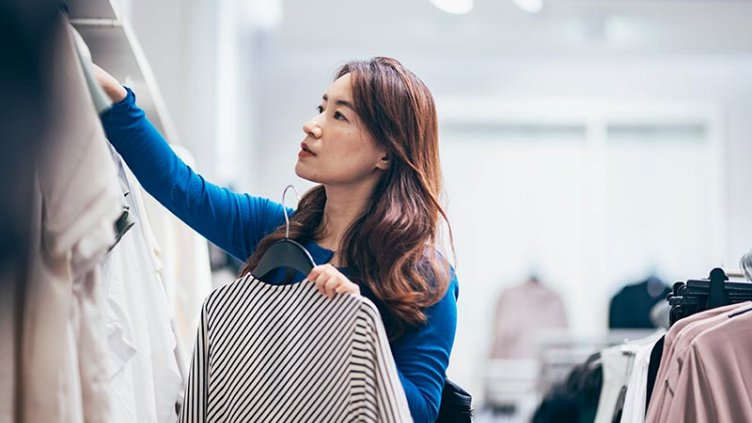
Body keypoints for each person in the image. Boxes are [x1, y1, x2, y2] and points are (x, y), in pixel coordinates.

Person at [94, 56, 458, 422]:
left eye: (339, 116)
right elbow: (182, 188)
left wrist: (354, 326)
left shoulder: (423, 275)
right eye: (321, 108)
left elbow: (423, 413)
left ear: (385, 153)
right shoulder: (278, 234)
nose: (312, 125)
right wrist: (115, 99)